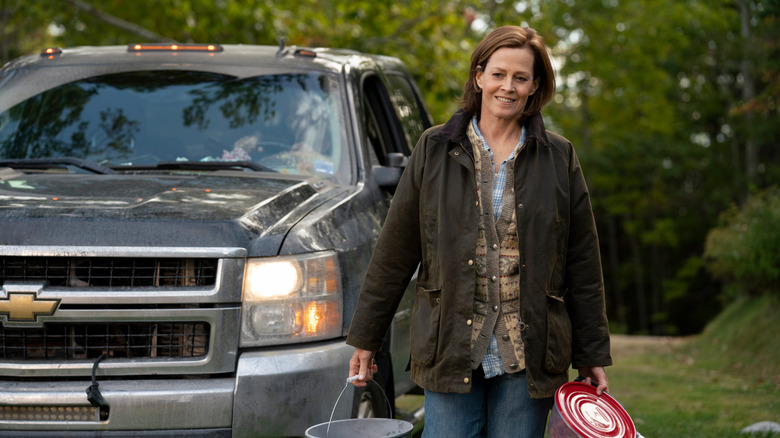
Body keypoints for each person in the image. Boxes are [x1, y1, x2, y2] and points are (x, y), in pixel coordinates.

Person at [346, 25, 612, 437]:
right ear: (479, 76)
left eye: (520, 77)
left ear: (534, 86)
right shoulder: (433, 149)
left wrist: (591, 352)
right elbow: (394, 252)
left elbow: (582, 262)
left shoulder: (560, 157)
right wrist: (366, 338)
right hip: (449, 345)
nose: (508, 86)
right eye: (499, 74)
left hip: (530, 353)